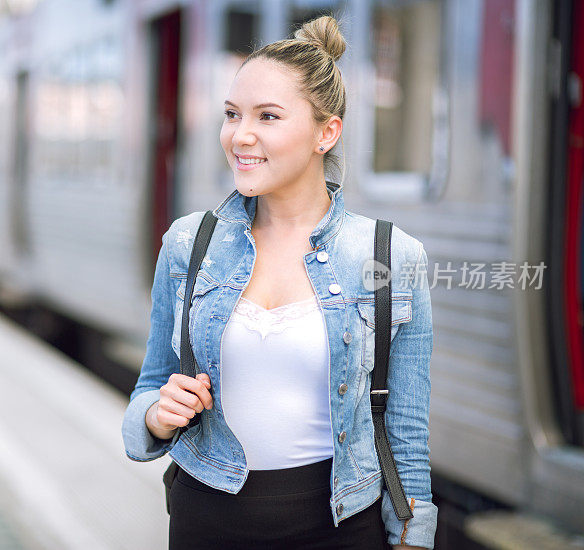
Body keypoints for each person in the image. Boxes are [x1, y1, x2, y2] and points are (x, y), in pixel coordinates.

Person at [122, 14, 438, 550]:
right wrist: (156, 414)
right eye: (231, 115)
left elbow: (405, 434)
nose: (239, 136)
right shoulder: (188, 244)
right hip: (205, 520)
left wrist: (412, 536)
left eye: (267, 116)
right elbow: (150, 383)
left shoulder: (391, 256)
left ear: (326, 132)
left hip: (341, 526)